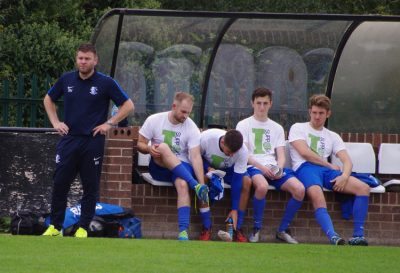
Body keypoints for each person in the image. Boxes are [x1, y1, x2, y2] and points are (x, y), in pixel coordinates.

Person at [42, 43, 135, 238]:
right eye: (80, 58)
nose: (83, 62)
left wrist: (109, 123)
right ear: (76, 59)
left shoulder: (106, 82)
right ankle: (55, 227)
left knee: (90, 186)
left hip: (92, 142)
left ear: (95, 60)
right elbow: (48, 99)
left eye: (87, 59)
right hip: (69, 140)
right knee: (60, 183)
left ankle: (83, 228)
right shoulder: (66, 79)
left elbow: (128, 105)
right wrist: (55, 122)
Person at [288, 94, 370, 246]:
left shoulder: (332, 136)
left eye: (321, 113)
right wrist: (329, 165)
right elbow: (305, 153)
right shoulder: (298, 128)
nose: (317, 117)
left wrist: (344, 176)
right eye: (314, 112)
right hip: (305, 168)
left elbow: (347, 160)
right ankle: (333, 236)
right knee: (318, 196)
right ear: (309, 112)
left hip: (326, 172)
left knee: (363, 188)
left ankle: (358, 236)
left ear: (328, 114)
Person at [236, 87, 305, 243]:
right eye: (258, 103)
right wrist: (262, 168)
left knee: (300, 189)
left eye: (265, 103)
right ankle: (256, 229)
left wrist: (278, 168)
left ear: (270, 104)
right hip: (253, 166)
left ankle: (282, 230)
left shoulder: (277, 127)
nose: (261, 107)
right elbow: (245, 155)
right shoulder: (243, 125)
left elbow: (280, 155)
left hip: (273, 167)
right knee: (261, 186)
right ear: (252, 103)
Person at [137, 91, 209, 241]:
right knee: (162, 147)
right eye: (183, 112)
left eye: (188, 113)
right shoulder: (155, 120)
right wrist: (149, 149)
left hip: (181, 167)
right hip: (159, 166)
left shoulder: (191, 127)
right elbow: (140, 144)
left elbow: (195, 157)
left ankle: (183, 231)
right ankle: (194, 185)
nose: (185, 116)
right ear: (173, 106)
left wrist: (203, 183)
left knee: (183, 184)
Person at [198, 128, 248, 241]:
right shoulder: (206, 138)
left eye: (233, 153)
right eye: (229, 152)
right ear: (222, 142)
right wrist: (207, 168)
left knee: (247, 182)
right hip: (207, 169)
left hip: (229, 172)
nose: (231, 156)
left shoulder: (243, 151)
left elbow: (237, 179)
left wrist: (234, 209)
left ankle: (237, 228)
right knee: (203, 179)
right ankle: (206, 227)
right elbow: (195, 156)